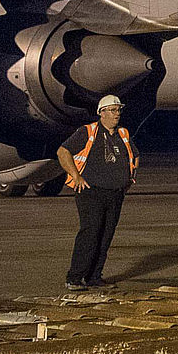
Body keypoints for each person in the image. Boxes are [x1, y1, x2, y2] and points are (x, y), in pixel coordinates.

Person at [56, 93, 138, 291]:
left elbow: (134, 155)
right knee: (90, 233)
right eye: (112, 110)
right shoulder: (88, 132)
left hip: (115, 193)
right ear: (102, 113)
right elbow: (62, 151)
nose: (117, 114)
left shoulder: (123, 134)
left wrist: (130, 179)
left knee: (106, 235)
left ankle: (94, 276)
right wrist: (76, 176)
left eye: (118, 110)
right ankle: (74, 278)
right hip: (91, 192)